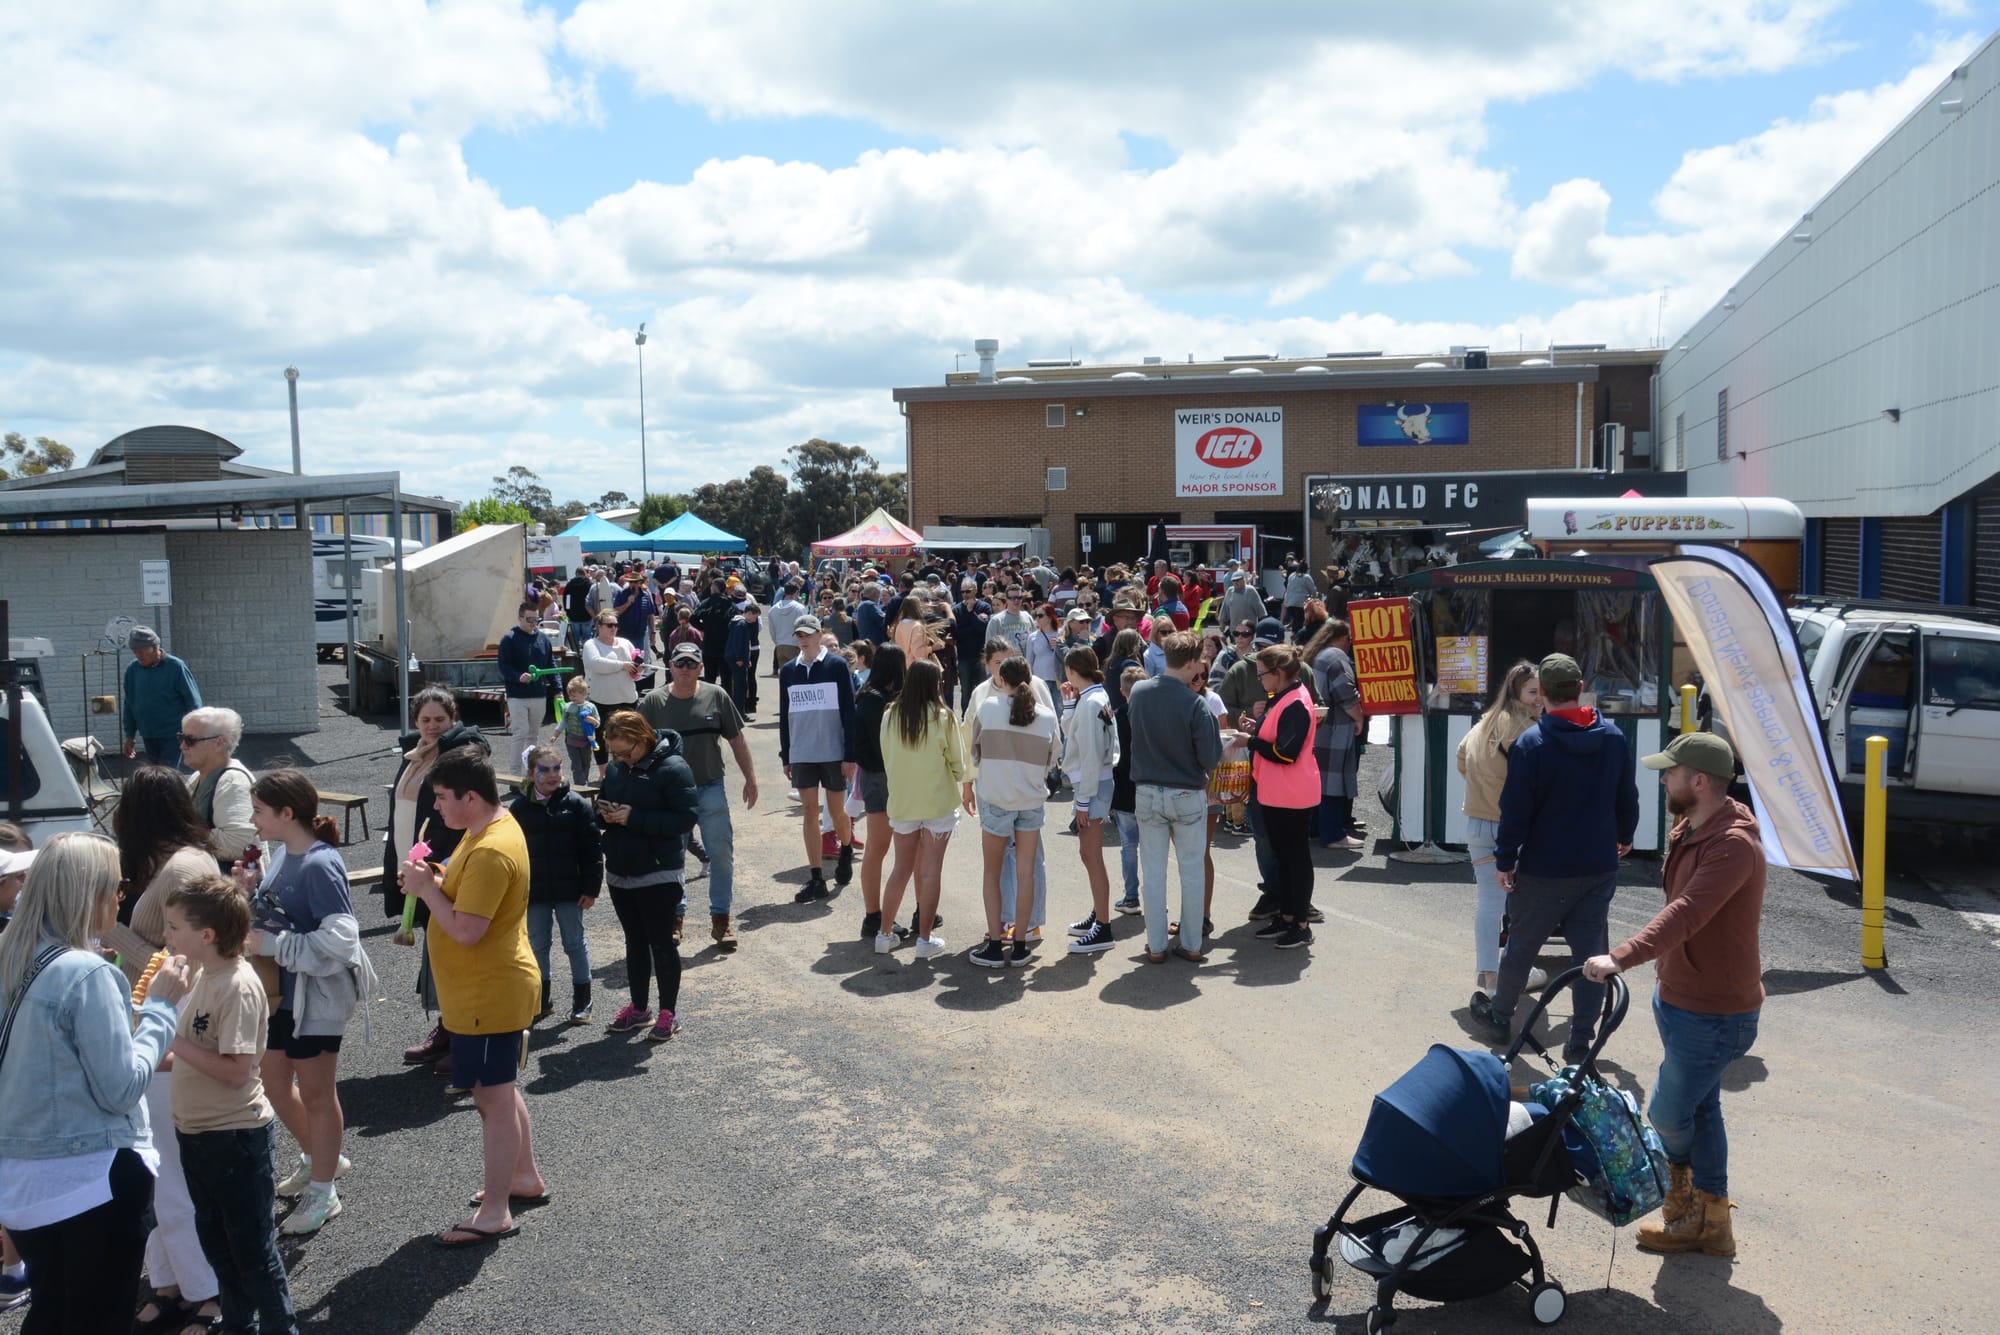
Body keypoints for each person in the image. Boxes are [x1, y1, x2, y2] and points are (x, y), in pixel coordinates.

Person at [0, 832, 194, 1334]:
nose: (121, 896)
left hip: (21, 1178)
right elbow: (121, 1088)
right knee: (99, 1318)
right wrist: (160, 1007)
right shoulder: (87, 973)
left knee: (50, 1311)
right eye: (117, 885)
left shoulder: (10, 953)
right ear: (88, 892)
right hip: (90, 1177)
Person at [1584, 732, 1765, 1259]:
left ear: (1699, 780)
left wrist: (1620, 957)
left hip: (1716, 1012)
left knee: (1665, 1114)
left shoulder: (1733, 845)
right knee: (1700, 1110)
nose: (1663, 778)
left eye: (1671, 771)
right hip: (1682, 997)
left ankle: (1685, 1199)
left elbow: (1686, 911)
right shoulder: (1693, 826)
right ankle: (1706, 1223)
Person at [395, 745, 546, 1247]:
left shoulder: (488, 849)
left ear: (472, 796)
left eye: (441, 797)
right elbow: (469, 901)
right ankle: (522, 1178)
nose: (435, 806)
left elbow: (466, 930)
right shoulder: (486, 829)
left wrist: (425, 888)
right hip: (486, 991)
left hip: (489, 993)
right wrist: (436, 879)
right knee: (500, 1090)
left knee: (492, 1098)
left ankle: (497, 1212)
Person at [96, 767, 224, 1333]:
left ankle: (207, 1291)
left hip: (172, 1029)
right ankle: (173, 1282)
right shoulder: (173, 860)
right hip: (151, 1022)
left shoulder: (185, 866)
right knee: (155, 1174)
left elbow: (183, 956)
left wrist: (108, 933)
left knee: (171, 1177)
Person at [1474, 653, 1639, 1060]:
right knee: (1590, 954)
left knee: (1521, 946)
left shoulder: (1532, 744)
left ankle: (1500, 1017)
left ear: (1542, 694)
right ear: (1580, 689)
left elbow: (1516, 811)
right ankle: (1580, 1038)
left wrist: (1505, 859)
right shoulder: (1613, 737)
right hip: (1598, 865)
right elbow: (1627, 797)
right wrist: (1625, 835)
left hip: (1544, 868)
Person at [161, 875, 299, 1335]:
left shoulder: (237, 986)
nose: (168, 935)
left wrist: (172, 1040)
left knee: (253, 1252)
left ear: (207, 935)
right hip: (197, 1133)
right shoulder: (201, 974)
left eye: (174, 926)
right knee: (217, 1245)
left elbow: (237, 1069)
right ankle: (238, 1325)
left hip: (234, 1137)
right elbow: (190, 1053)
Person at [239, 770, 373, 1236]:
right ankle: (321, 1161)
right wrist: (250, 890)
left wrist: (273, 946)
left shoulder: (319, 863)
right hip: (281, 996)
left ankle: (323, 1189)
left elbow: (342, 940)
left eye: (259, 810)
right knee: (275, 1084)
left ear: (286, 813)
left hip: (314, 1000)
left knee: (317, 1093)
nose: (253, 819)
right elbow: (279, 913)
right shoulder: (281, 856)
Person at [382, 687, 490, 1072]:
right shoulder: (414, 754)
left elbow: (455, 817)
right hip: (415, 867)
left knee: (452, 954)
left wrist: (438, 868)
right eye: (425, 720)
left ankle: (461, 1036)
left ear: (453, 719)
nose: (431, 727)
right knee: (438, 953)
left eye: (439, 720)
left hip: (442, 870)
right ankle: (448, 1030)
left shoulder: (459, 751)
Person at [639, 641, 759, 951]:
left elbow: (737, 739)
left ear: (700, 668)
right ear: (671, 666)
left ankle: (721, 920)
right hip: (668, 795)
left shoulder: (715, 696)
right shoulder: (652, 703)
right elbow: (635, 749)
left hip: (709, 787)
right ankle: (675, 920)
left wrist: (751, 779)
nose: (685, 669)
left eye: (692, 664)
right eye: (680, 663)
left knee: (720, 854)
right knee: (672, 859)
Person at [593, 712, 699, 1040]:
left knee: (661, 944)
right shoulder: (615, 769)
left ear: (644, 738)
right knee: (634, 942)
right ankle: (639, 1009)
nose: (621, 759)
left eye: (627, 753)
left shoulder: (674, 768)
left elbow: (685, 819)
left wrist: (635, 818)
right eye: (615, 754)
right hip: (621, 871)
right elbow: (608, 811)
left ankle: (669, 1013)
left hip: (659, 872)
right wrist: (604, 814)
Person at [1127, 633, 1223, 963]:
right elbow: (1210, 758)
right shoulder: (1196, 704)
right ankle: (1192, 943)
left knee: (1152, 872)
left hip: (1148, 791)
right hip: (1186, 792)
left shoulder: (1139, 692)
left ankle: (1155, 946)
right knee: (1192, 871)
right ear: (1193, 662)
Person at [1457, 662, 1549, 1006]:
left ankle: (1490, 977)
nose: (1539, 698)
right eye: (1532, 692)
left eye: (1541, 691)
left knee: (1490, 903)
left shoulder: (1486, 722)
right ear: (1517, 692)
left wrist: (1484, 790)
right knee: (1523, 904)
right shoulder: (1527, 729)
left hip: (1478, 824)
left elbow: (1461, 757)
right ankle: (1514, 974)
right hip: (1512, 829)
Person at [875, 660, 971, 959]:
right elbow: (958, 763)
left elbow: (885, 754)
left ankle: (884, 934)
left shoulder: (891, 715)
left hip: (903, 800)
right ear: (934, 683)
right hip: (938, 800)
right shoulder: (943, 716)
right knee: (931, 872)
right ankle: (925, 939)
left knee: (900, 869)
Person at [968, 658, 1057, 969]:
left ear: (1001, 678)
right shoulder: (1046, 715)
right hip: (1030, 800)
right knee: (1025, 873)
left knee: (992, 874)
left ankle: (995, 944)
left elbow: (975, 752)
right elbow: (1052, 758)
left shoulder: (988, 708)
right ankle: (1020, 944)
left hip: (996, 798)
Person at [509, 745, 601, 1024]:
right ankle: (541, 999)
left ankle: (582, 1000)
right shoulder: (519, 808)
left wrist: (591, 888)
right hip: (534, 892)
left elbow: (592, 850)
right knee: (538, 944)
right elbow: (512, 851)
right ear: (531, 772)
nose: (552, 775)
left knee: (574, 943)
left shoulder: (576, 804)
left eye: (557, 768)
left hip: (570, 890)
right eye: (544, 769)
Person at [1241, 645, 1320, 949]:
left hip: (1292, 793)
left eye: (1262, 673)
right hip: (1278, 792)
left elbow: (1286, 753)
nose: (1259, 679)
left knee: (1295, 859)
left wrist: (1251, 741)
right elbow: (1276, 739)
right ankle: (1287, 917)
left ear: (1279, 673)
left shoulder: (1296, 702)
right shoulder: (1283, 697)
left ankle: (1300, 923)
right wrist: (1256, 733)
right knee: (1285, 859)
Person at [779, 615, 859, 903]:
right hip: (802, 752)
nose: (803, 639)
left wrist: (850, 755)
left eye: (808, 634)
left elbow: (850, 714)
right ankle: (815, 877)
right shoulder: (789, 670)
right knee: (810, 812)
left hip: (833, 752)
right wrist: (786, 754)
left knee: (837, 811)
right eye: (799, 634)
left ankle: (846, 849)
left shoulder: (837, 666)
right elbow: (785, 713)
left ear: (818, 634)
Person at [1060, 648, 1120, 954]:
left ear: (1071, 670)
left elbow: (1091, 754)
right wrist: (1069, 705)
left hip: (1092, 783)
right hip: (1094, 782)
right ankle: (1100, 915)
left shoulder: (1092, 699)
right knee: (1088, 853)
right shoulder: (1094, 696)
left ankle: (1104, 926)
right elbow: (1077, 739)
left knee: (1092, 855)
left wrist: (1083, 800)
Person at [850, 644, 908, 943]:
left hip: (879, 777)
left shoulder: (872, 695)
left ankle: (876, 915)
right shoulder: (875, 700)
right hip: (881, 778)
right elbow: (885, 745)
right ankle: (874, 917)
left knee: (881, 849)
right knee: (878, 848)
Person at [1304, 618, 1367, 849]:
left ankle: (1316, 830)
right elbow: (1346, 694)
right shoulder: (1336, 657)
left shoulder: (1318, 656)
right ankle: (1333, 835)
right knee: (1333, 782)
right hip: (1334, 730)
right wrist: (1359, 717)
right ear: (1341, 638)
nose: (1351, 645)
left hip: (1318, 728)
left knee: (1319, 782)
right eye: (1349, 640)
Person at [180, 706, 256, 874]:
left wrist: (180, 833)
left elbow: (239, 843)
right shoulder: (199, 776)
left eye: (190, 740)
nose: (183, 746)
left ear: (219, 742)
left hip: (227, 888)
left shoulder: (233, 781)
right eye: (181, 737)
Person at [122, 625, 203, 765]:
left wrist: (194, 732)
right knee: (155, 776)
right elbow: (129, 703)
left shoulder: (175, 667)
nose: (138, 656)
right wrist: (130, 735)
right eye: (135, 652)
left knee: (166, 774)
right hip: (148, 733)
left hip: (173, 734)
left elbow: (193, 701)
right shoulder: (133, 670)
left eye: (141, 652)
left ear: (154, 648)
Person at [496, 601, 558, 771]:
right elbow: (503, 666)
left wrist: (558, 690)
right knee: (520, 732)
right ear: (520, 618)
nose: (533, 623)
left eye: (536, 620)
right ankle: (515, 775)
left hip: (539, 693)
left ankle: (530, 773)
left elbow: (551, 665)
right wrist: (518, 677)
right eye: (529, 619)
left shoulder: (543, 638)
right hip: (517, 695)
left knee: (533, 735)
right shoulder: (509, 639)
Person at [581, 610, 643, 762]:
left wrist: (638, 670)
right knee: (601, 739)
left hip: (627, 699)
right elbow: (596, 664)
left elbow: (634, 670)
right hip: (602, 702)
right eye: (609, 625)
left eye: (615, 625)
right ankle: (603, 772)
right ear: (598, 626)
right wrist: (623, 665)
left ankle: (626, 766)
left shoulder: (625, 643)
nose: (613, 628)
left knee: (629, 737)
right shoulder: (591, 644)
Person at [950, 579, 993, 713]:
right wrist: (975, 623)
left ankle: (983, 717)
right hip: (964, 657)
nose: (965, 594)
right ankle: (965, 718)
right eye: (962, 591)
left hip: (981, 656)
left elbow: (984, 629)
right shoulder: (956, 610)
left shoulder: (985, 607)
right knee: (966, 691)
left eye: (968, 591)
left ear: (975, 590)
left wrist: (970, 614)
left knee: (983, 689)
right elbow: (957, 634)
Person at [557, 675, 600, 787]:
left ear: (584, 694)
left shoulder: (590, 707)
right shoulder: (567, 707)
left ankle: (584, 781)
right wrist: (555, 734)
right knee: (576, 765)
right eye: (570, 695)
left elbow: (598, 723)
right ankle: (579, 784)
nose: (572, 698)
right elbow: (563, 722)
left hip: (586, 740)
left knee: (586, 763)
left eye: (574, 695)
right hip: (572, 740)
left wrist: (593, 721)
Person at [694, 578, 739, 685]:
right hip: (725, 646)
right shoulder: (730, 604)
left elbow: (693, 618)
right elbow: (737, 622)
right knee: (726, 679)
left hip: (709, 645)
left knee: (709, 679)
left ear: (713, 589)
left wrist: (704, 627)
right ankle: (726, 700)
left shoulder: (706, 603)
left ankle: (710, 700)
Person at [726, 600, 763, 717]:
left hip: (738, 658)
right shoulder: (741, 625)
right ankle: (740, 713)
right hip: (738, 660)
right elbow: (738, 644)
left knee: (740, 685)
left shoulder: (738, 623)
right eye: (755, 617)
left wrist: (747, 659)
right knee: (741, 686)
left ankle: (738, 712)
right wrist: (740, 659)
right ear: (750, 613)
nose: (755, 620)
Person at [767, 580, 808, 674]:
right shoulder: (799, 608)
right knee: (797, 677)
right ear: (796, 592)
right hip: (795, 646)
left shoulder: (773, 609)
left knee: (784, 677)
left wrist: (777, 642)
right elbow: (803, 627)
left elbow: (772, 631)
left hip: (780, 646)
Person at [1281, 562, 1317, 640]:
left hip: (1290, 603)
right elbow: (1312, 590)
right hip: (1300, 604)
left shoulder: (1292, 575)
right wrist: (1313, 597)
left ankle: (1294, 633)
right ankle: (1298, 637)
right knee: (1300, 620)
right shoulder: (1307, 577)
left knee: (1296, 619)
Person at [562, 567, 594, 653]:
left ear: (576, 574)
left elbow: (566, 599)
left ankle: (576, 656)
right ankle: (588, 654)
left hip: (574, 616)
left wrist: (568, 611)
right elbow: (592, 599)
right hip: (587, 615)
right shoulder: (589, 584)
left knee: (575, 638)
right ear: (585, 574)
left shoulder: (569, 584)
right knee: (587, 637)